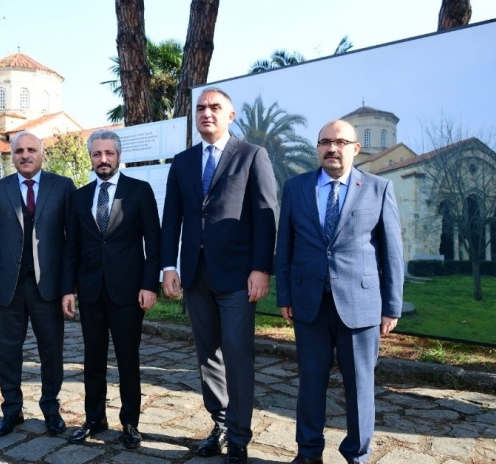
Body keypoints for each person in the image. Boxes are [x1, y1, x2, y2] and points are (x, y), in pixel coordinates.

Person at [161, 87, 278, 464]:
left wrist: (261, 268)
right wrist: (168, 266)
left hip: (238, 277)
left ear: (231, 115)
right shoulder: (182, 162)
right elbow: (172, 220)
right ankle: (221, 423)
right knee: (207, 354)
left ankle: (240, 437)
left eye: (215, 108)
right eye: (200, 108)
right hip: (195, 276)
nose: (206, 113)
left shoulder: (251, 156)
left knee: (238, 354)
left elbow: (266, 214)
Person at [276, 119, 404, 464]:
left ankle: (357, 455)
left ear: (355, 148)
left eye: (341, 142)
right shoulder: (296, 188)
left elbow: (392, 252)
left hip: (361, 306)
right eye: (325, 142)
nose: (332, 148)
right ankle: (308, 453)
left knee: (360, 386)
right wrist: (284, 296)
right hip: (309, 305)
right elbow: (284, 246)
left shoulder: (378, 189)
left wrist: (391, 307)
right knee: (310, 384)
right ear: (317, 147)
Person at [62, 130, 161, 449]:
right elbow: (71, 247)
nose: (103, 159)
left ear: (119, 156)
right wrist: (68, 289)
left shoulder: (139, 191)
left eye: (109, 153)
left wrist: (150, 284)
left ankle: (130, 423)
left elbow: (153, 242)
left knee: (127, 359)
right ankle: (95, 418)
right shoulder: (79, 196)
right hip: (91, 292)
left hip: (129, 292)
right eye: (96, 154)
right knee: (93, 359)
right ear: (90, 157)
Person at [0, 131, 75, 438]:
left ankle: (51, 409)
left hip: (49, 288)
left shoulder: (63, 187)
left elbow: (73, 242)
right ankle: (11, 411)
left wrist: (69, 288)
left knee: (51, 351)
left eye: (32, 149)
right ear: (12, 155)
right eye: (19, 151)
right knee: (9, 351)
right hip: (9, 287)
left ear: (42, 154)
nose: (25, 155)